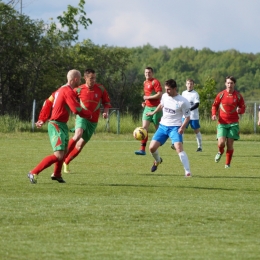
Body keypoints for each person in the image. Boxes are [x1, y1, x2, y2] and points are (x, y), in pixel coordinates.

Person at [27, 69, 92, 184]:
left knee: (64, 151)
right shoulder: (68, 91)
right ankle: (33, 172)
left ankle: (57, 174)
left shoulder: (59, 90)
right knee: (58, 155)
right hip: (56, 125)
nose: (81, 81)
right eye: (80, 78)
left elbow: (47, 102)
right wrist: (88, 114)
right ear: (75, 79)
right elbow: (75, 109)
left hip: (61, 124)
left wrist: (42, 119)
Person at [63, 68, 111, 173]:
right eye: (91, 78)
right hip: (82, 117)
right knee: (78, 134)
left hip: (93, 121)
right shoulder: (78, 89)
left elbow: (107, 102)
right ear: (85, 78)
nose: (93, 80)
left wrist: (106, 112)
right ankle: (62, 154)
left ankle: (66, 162)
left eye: (94, 78)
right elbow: (68, 98)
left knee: (79, 146)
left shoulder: (101, 89)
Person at [146, 79, 192, 177]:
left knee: (179, 148)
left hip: (175, 127)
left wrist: (182, 127)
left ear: (175, 89)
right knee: (151, 148)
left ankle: (187, 171)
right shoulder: (164, 96)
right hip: (163, 126)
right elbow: (161, 105)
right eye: (166, 89)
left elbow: (188, 117)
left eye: (169, 89)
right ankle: (158, 161)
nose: (166, 91)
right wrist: (153, 112)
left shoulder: (183, 101)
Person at [212, 76, 246, 168]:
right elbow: (214, 105)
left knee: (230, 144)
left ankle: (227, 164)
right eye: (228, 83)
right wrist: (214, 114)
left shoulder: (238, 96)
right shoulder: (221, 94)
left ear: (234, 84)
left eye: (231, 83)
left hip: (233, 123)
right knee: (221, 143)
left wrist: (240, 110)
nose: (229, 84)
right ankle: (220, 151)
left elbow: (243, 107)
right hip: (222, 123)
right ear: (225, 83)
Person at [135, 67, 163, 155]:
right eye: (146, 72)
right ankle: (142, 149)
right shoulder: (145, 82)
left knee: (159, 129)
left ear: (152, 73)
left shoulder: (155, 82)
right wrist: (145, 102)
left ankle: (169, 143)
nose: (148, 74)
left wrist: (148, 98)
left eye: (149, 72)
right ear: (144, 73)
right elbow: (147, 95)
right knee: (144, 129)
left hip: (156, 108)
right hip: (147, 107)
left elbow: (159, 94)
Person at [180, 79, 202, 151]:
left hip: (193, 116)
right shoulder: (183, 93)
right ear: (186, 84)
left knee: (196, 130)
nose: (189, 85)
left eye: (191, 84)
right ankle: (180, 145)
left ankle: (199, 147)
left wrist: (189, 109)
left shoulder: (195, 94)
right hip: (185, 116)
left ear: (193, 85)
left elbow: (197, 104)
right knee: (181, 129)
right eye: (188, 84)